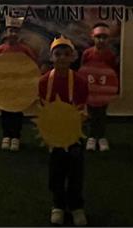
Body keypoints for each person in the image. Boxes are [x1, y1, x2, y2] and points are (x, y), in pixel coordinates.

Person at [39, 36, 89, 227]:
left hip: (74, 133)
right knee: (56, 171)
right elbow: (43, 109)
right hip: (54, 134)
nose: (61, 58)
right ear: (51, 57)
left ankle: (76, 206)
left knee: (75, 171)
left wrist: (80, 119)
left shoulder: (80, 81)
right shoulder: (44, 82)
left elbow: (82, 107)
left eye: (66, 54)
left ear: (73, 57)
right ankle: (58, 205)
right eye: (57, 54)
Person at [0, 16, 38, 152]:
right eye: (11, 30)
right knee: (5, 112)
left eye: (16, 31)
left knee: (17, 112)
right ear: (6, 32)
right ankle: (6, 135)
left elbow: (33, 67)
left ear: (20, 33)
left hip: (20, 87)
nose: (13, 34)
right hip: (5, 87)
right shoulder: (0, 50)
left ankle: (16, 136)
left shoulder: (25, 50)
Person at [80, 23, 118, 152]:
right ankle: (91, 137)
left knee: (102, 114)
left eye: (104, 37)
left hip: (103, 91)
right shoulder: (87, 53)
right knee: (91, 114)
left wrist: (111, 90)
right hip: (91, 90)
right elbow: (83, 72)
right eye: (98, 37)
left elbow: (113, 73)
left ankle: (101, 137)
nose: (101, 40)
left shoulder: (110, 55)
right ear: (93, 37)